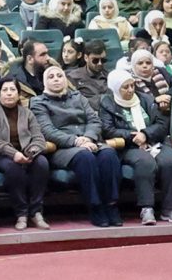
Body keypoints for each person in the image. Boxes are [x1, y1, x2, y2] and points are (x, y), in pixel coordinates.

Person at [33, 64, 119, 227]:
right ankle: (95, 206)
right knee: (85, 157)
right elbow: (47, 130)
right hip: (63, 148)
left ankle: (111, 205)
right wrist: (77, 141)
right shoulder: (38, 102)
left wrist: (88, 137)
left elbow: (94, 121)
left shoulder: (78, 97)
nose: (56, 79)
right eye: (51, 77)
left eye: (59, 76)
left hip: (89, 141)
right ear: (44, 83)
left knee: (108, 154)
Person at [99, 69, 172, 225]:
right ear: (115, 88)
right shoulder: (107, 103)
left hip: (154, 141)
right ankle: (147, 208)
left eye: (132, 85)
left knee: (171, 160)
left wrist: (145, 134)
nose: (131, 90)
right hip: (127, 146)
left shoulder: (146, 98)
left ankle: (171, 208)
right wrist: (133, 136)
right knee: (145, 161)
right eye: (125, 87)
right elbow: (107, 129)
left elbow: (161, 123)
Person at [0, 76, 51, 229]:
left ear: (19, 94)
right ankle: (21, 213)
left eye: (13, 90)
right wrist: (14, 154)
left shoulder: (27, 113)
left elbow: (38, 137)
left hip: (25, 153)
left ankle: (36, 211)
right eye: (5, 90)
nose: (9, 93)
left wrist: (31, 152)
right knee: (13, 167)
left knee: (42, 163)